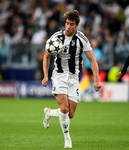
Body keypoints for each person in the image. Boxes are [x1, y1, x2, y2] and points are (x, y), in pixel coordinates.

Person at [41, 10, 102, 148]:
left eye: (71, 24)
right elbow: (46, 56)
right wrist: (45, 75)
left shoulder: (82, 39)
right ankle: (67, 139)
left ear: (77, 25)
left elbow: (92, 59)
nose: (68, 27)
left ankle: (49, 112)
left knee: (70, 114)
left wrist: (97, 80)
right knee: (64, 108)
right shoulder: (56, 37)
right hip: (59, 75)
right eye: (67, 23)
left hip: (74, 77)